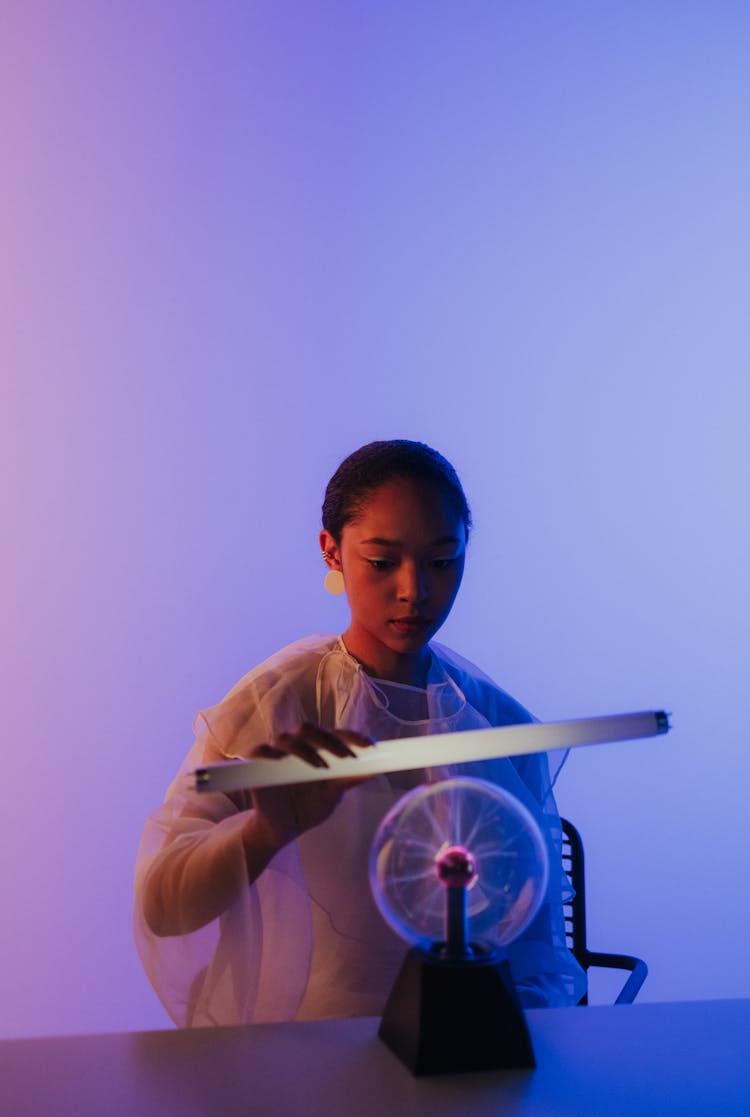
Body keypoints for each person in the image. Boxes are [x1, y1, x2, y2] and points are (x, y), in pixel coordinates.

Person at [133, 440, 586, 1027]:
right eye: (382, 561)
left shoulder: (500, 727)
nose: (414, 590)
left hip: (464, 1052)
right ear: (332, 552)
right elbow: (165, 907)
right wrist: (262, 833)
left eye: (443, 561)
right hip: (305, 1058)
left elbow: (534, 952)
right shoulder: (275, 710)